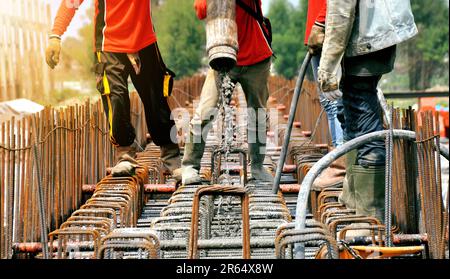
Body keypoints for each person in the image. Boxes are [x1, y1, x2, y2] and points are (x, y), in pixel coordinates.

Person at [45, 0, 181, 178]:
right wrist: (56, 35)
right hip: (109, 44)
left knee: (157, 99)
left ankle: (172, 158)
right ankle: (125, 156)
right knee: (115, 98)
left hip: (144, 40)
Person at [318, 0, 417, 222]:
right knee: (353, 119)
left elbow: (341, 9)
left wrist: (327, 67)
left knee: (364, 126)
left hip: (366, 41)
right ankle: (354, 201)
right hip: (376, 36)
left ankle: (370, 216)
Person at [181, 0, 273, 185]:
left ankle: (257, 166)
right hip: (221, 56)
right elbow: (201, 10)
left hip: (256, 57)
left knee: (258, 114)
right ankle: (190, 166)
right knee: (206, 111)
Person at [305, 0, 346, 190]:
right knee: (331, 103)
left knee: (337, 102)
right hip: (322, 32)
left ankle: (341, 166)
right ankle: (339, 159)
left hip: (329, 30)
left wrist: (321, 22)